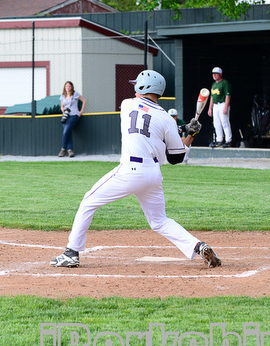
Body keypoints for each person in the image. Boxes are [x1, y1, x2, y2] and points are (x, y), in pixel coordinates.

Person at [50, 70, 221, 269]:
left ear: (144, 87)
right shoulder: (166, 118)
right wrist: (190, 135)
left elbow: (145, 126)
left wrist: (183, 130)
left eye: (137, 85)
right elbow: (175, 157)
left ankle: (71, 253)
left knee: (88, 201)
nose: (134, 88)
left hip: (130, 170)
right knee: (159, 221)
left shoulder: (127, 104)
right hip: (153, 173)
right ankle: (199, 246)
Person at [58, 81, 86, 158]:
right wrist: (62, 108)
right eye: (66, 86)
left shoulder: (75, 94)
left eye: (69, 86)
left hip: (74, 115)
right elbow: (62, 105)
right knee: (68, 132)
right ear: (64, 87)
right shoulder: (63, 95)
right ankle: (70, 150)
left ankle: (63, 149)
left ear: (72, 87)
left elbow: (84, 101)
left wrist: (81, 111)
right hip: (65, 116)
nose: (68, 87)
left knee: (66, 131)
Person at [208, 66, 232, 148]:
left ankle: (228, 140)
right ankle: (219, 140)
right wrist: (210, 108)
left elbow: (228, 96)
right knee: (216, 123)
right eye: (213, 74)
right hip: (215, 105)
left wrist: (226, 107)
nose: (214, 75)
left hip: (222, 104)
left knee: (225, 122)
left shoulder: (224, 82)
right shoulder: (214, 84)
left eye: (216, 74)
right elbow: (212, 97)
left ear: (220, 74)